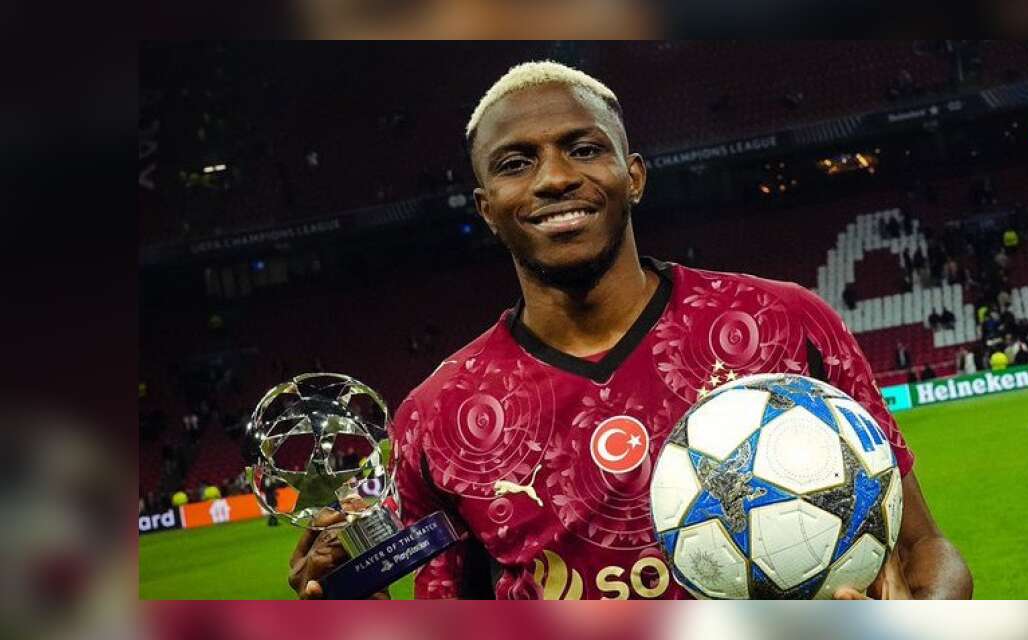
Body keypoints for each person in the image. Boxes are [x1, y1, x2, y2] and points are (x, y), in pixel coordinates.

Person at [288, 61, 970, 601]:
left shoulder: (786, 323)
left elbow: (926, 550)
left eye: (583, 148)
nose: (555, 178)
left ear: (633, 175)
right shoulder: (439, 418)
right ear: (487, 208)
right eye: (515, 163)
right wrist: (354, 600)